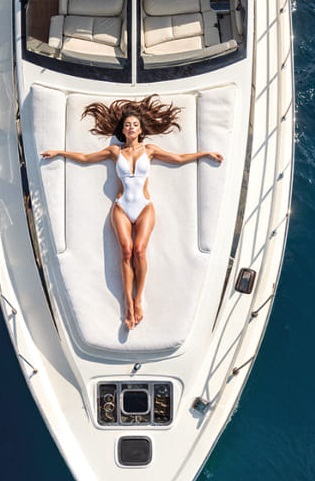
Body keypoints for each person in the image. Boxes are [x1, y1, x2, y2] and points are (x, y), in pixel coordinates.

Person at [41, 96, 223, 330]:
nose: (131, 128)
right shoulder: (114, 152)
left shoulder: (151, 150)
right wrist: (59, 153)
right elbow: (86, 158)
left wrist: (205, 154)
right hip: (121, 207)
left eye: (135, 125)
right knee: (126, 252)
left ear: (140, 130)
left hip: (145, 206)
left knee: (139, 250)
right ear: (123, 130)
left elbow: (178, 159)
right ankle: (128, 304)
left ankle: (139, 299)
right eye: (127, 125)